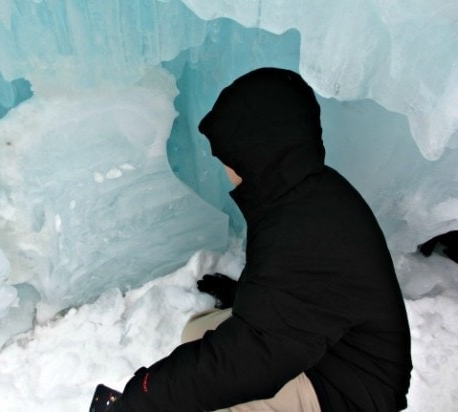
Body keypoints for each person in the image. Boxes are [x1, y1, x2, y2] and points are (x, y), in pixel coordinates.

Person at [106, 68, 412, 411]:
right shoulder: (301, 194)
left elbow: (248, 364)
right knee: (198, 334)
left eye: (229, 156)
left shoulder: (306, 225)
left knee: (219, 395)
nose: (224, 167)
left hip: (354, 389)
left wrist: (142, 397)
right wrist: (246, 296)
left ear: (255, 151)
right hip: (332, 348)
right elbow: (305, 292)